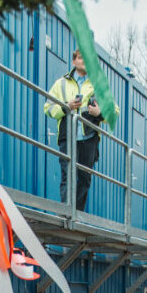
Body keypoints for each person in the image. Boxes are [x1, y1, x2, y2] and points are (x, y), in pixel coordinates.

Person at [44, 49, 103, 211]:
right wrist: (66, 106)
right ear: (73, 61)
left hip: (88, 138)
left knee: (84, 178)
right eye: (80, 58)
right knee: (67, 175)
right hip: (67, 136)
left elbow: (114, 111)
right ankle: (66, 212)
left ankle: (77, 213)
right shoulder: (60, 84)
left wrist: (99, 113)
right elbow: (48, 108)